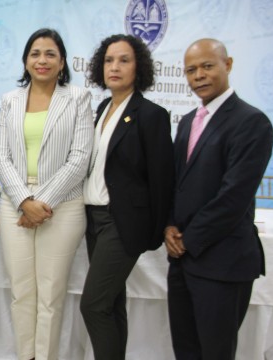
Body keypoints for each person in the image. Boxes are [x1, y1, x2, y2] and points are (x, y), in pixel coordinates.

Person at [165, 38, 273, 359]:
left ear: (228, 65)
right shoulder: (186, 122)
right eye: (191, 70)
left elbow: (234, 196)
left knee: (215, 353)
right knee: (186, 351)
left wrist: (189, 239)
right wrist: (169, 225)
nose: (198, 75)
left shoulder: (251, 122)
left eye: (207, 66)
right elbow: (176, 183)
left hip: (223, 262)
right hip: (182, 261)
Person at [0, 28, 93, 360]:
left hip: (62, 205)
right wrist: (24, 201)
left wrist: (42, 203)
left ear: (62, 61)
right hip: (15, 205)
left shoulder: (78, 98)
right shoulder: (10, 100)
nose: (42, 60)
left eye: (50, 53)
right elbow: (1, 157)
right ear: (25, 61)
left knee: (50, 295)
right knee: (22, 292)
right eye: (35, 53)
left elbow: (80, 158)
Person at [79, 34, 174, 359]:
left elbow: (163, 179)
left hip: (122, 224)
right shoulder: (103, 108)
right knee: (111, 303)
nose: (114, 67)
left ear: (139, 68)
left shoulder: (151, 115)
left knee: (92, 305)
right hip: (94, 221)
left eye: (124, 60)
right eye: (108, 60)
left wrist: (157, 230)